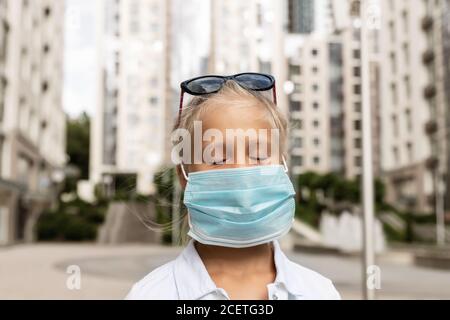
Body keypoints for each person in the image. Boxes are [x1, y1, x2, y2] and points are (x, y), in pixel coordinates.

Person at [126, 73, 341, 300]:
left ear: (283, 166)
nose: (241, 171)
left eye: (259, 156)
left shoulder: (320, 292)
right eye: (217, 158)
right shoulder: (149, 295)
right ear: (184, 176)